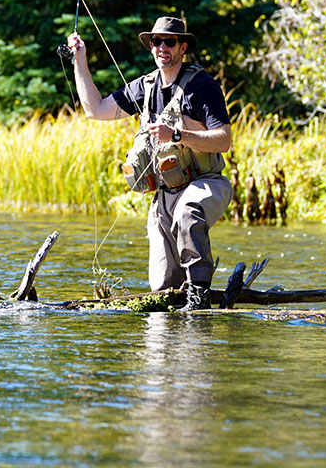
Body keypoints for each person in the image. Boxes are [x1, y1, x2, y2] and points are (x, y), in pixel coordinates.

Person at [66, 16, 233, 311]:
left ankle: (199, 300)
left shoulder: (202, 86)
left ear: (183, 48)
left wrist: (178, 134)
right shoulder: (145, 87)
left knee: (189, 211)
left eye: (170, 42)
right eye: (156, 42)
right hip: (164, 196)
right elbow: (96, 110)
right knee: (163, 285)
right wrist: (80, 60)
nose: (162, 47)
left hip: (207, 183)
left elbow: (223, 140)